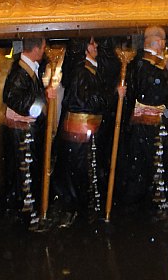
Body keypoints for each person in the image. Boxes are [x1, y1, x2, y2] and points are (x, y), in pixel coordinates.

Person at [53, 37, 124, 225]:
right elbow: (88, 101)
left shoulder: (91, 70)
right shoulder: (81, 72)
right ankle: (79, 210)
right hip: (79, 134)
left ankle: (86, 208)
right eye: (92, 44)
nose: (96, 46)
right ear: (84, 48)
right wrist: (114, 94)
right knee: (78, 172)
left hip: (87, 133)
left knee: (86, 171)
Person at [120, 26, 168, 213]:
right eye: (163, 41)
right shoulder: (146, 65)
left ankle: (143, 198)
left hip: (145, 123)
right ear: (157, 42)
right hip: (148, 123)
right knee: (150, 160)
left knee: (145, 161)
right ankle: (145, 201)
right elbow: (163, 90)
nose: (165, 45)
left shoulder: (142, 64)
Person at [1, 37, 55, 229]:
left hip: (28, 132)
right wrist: (43, 97)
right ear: (37, 48)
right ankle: (28, 218)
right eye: (43, 47)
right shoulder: (20, 73)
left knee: (30, 174)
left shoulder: (30, 70)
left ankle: (31, 214)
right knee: (25, 176)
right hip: (22, 134)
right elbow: (16, 101)